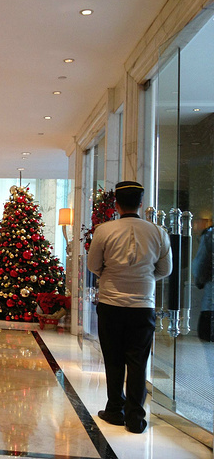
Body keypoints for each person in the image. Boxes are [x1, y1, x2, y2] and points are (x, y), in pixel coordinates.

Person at [87, 181, 172, 434]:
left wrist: (111, 275)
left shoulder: (104, 230)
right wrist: (144, 278)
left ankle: (115, 410)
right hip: (142, 305)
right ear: (141, 204)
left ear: (116, 204)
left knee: (113, 359)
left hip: (111, 303)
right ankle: (135, 417)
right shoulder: (158, 232)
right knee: (138, 361)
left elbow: (93, 265)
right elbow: (165, 269)